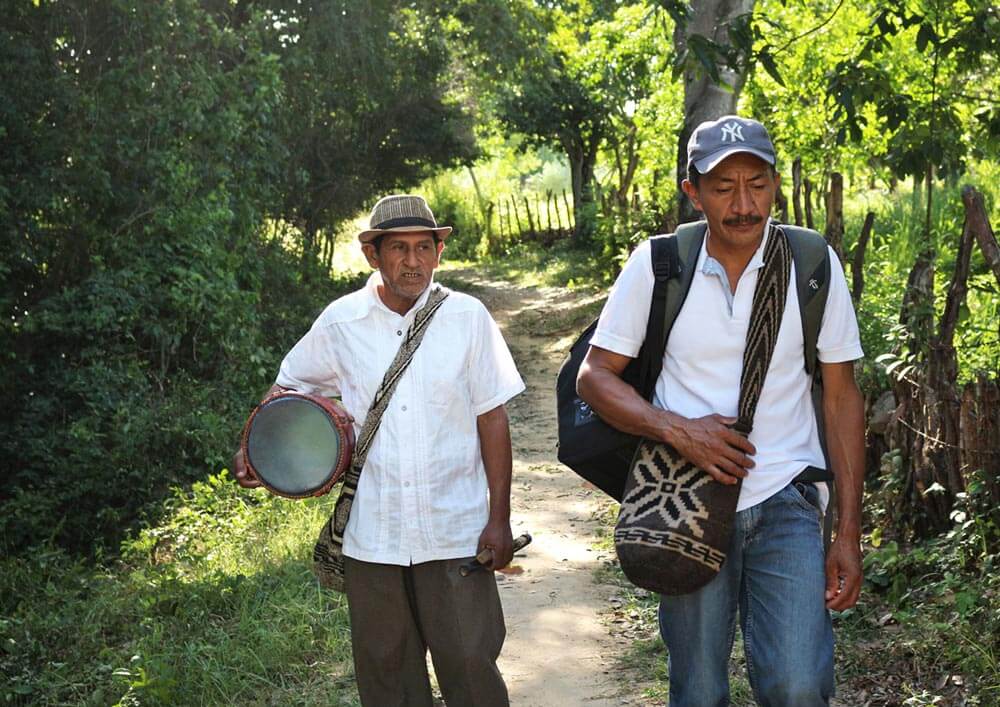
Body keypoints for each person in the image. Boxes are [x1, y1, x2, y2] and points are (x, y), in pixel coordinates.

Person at [577, 115, 865, 705]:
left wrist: (848, 532)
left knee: (799, 685)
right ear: (693, 192)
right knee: (700, 687)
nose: (743, 204)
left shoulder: (811, 265)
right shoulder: (659, 265)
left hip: (787, 495)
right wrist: (677, 430)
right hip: (684, 501)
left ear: (776, 184)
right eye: (723, 187)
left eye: (756, 184)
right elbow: (594, 377)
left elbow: (841, 398)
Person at [233, 194, 524, 707]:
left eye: (422, 248)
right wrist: (255, 447)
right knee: (387, 680)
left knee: (472, 670)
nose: (412, 262)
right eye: (398, 249)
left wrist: (497, 519)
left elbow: (492, 418)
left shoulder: (467, 318)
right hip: (374, 538)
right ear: (374, 256)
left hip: (453, 530)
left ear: (438, 253)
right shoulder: (342, 322)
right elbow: (288, 385)